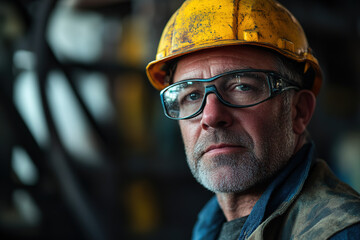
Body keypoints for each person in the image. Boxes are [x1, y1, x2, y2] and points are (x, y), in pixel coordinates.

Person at [146, 0, 360, 239]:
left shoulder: (341, 232)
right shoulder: (210, 227)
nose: (211, 116)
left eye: (241, 87)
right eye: (192, 95)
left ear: (299, 111)